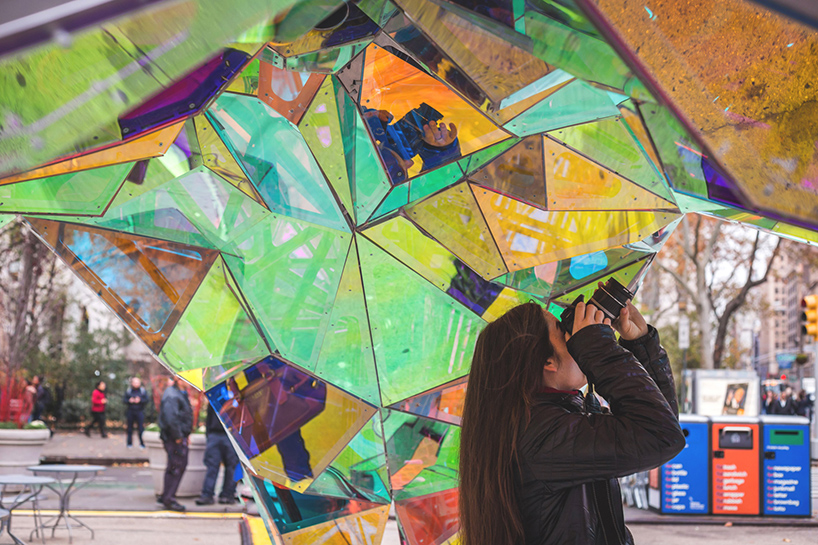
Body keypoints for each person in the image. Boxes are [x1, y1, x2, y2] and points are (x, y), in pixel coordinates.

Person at [459, 300, 684, 545]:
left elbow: (660, 425)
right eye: (561, 329)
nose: (574, 336)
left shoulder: (556, 420)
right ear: (547, 362)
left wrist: (639, 344)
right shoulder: (542, 435)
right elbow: (659, 435)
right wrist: (596, 346)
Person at [158, 376, 193, 512]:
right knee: (176, 467)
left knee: (174, 466)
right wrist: (178, 436)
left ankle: (166, 495)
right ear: (178, 379)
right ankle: (169, 499)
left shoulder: (177, 394)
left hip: (177, 437)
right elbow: (171, 418)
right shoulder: (172, 395)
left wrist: (185, 435)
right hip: (174, 438)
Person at [195, 402, 240, 506]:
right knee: (212, 466)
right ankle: (207, 495)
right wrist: (209, 435)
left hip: (231, 435)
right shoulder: (215, 393)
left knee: (231, 466)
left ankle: (227, 494)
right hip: (216, 434)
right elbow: (209, 417)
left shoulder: (236, 396)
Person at [123, 377, 149, 449]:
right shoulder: (129, 391)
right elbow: (124, 400)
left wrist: (140, 400)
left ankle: (142, 443)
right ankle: (129, 443)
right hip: (130, 411)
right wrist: (129, 400)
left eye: (137, 382)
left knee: (141, 428)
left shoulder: (142, 391)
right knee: (129, 429)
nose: (136, 384)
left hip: (140, 411)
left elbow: (147, 400)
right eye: (135, 382)